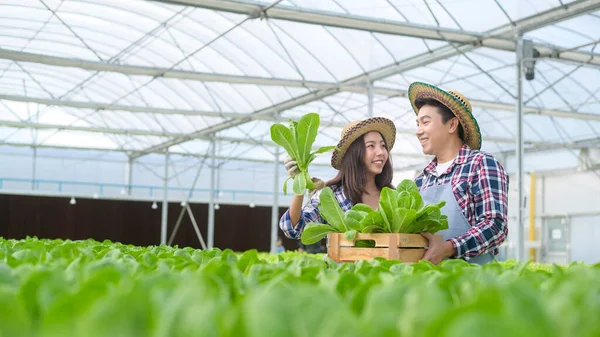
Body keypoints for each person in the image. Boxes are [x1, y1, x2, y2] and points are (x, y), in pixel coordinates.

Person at [408, 81, 510, 265]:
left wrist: (449, 248)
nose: (418, 131)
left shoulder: (481, 164)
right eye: (417, 123)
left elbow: (495, 225)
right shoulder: (420, 181)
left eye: (425, 122)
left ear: (452, 125)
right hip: (428, 282)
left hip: (474, 282)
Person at [279, 117, 396, 242]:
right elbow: (294, 229)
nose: (381, 152)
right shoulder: (331, 196)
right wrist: (300, 183)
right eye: (371, 146)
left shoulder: (392, 196)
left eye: (383, 146)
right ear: (354, 153)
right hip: (343, 261)